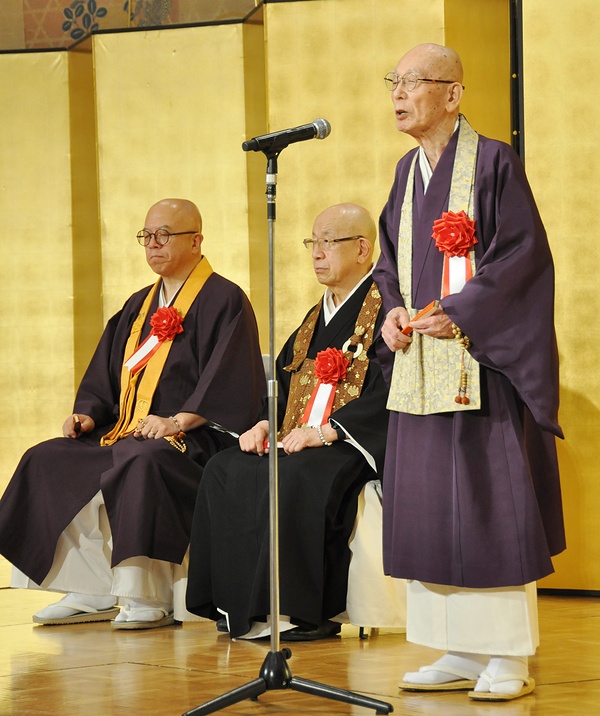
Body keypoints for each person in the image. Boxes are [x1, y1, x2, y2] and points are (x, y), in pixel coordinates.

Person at [373, 44, 565, 701]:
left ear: (453, 95)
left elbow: (522, 257)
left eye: (413, 83)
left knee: (486, 507)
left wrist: (462, 312)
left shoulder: (493, 161)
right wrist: (393, 312)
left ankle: (507, 656)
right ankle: (457, 648)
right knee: (428, 509)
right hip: (417, 364)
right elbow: (389, 261)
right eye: (393, 83)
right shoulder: (407, 171)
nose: (399, 95)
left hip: (477, 365)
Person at [0, 198, 266, 629]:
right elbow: (105, 376)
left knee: (142, 460)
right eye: (147, 236)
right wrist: (86, 414)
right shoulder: (139, 305)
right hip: (126, 429)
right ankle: (89, 588)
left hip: (194, 437)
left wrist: (176, 421)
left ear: (196, 240)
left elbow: (231, 383)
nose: (153, 245)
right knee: (48, 457)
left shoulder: (225, 299)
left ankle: (145, 594)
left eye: (165, 235)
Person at [185, 203, 389, 640]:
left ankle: (303, 613)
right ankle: (236, 605)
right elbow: (280, 379)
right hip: (296, 436)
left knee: (293, 478)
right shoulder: (314, 318)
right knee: (224, 469)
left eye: (328, 242)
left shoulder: (387, 312)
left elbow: (393, 387)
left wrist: (329, 430)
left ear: (362, 249)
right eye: (312, 242)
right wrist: (262, 422)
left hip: (347, 441)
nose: (317, 253)